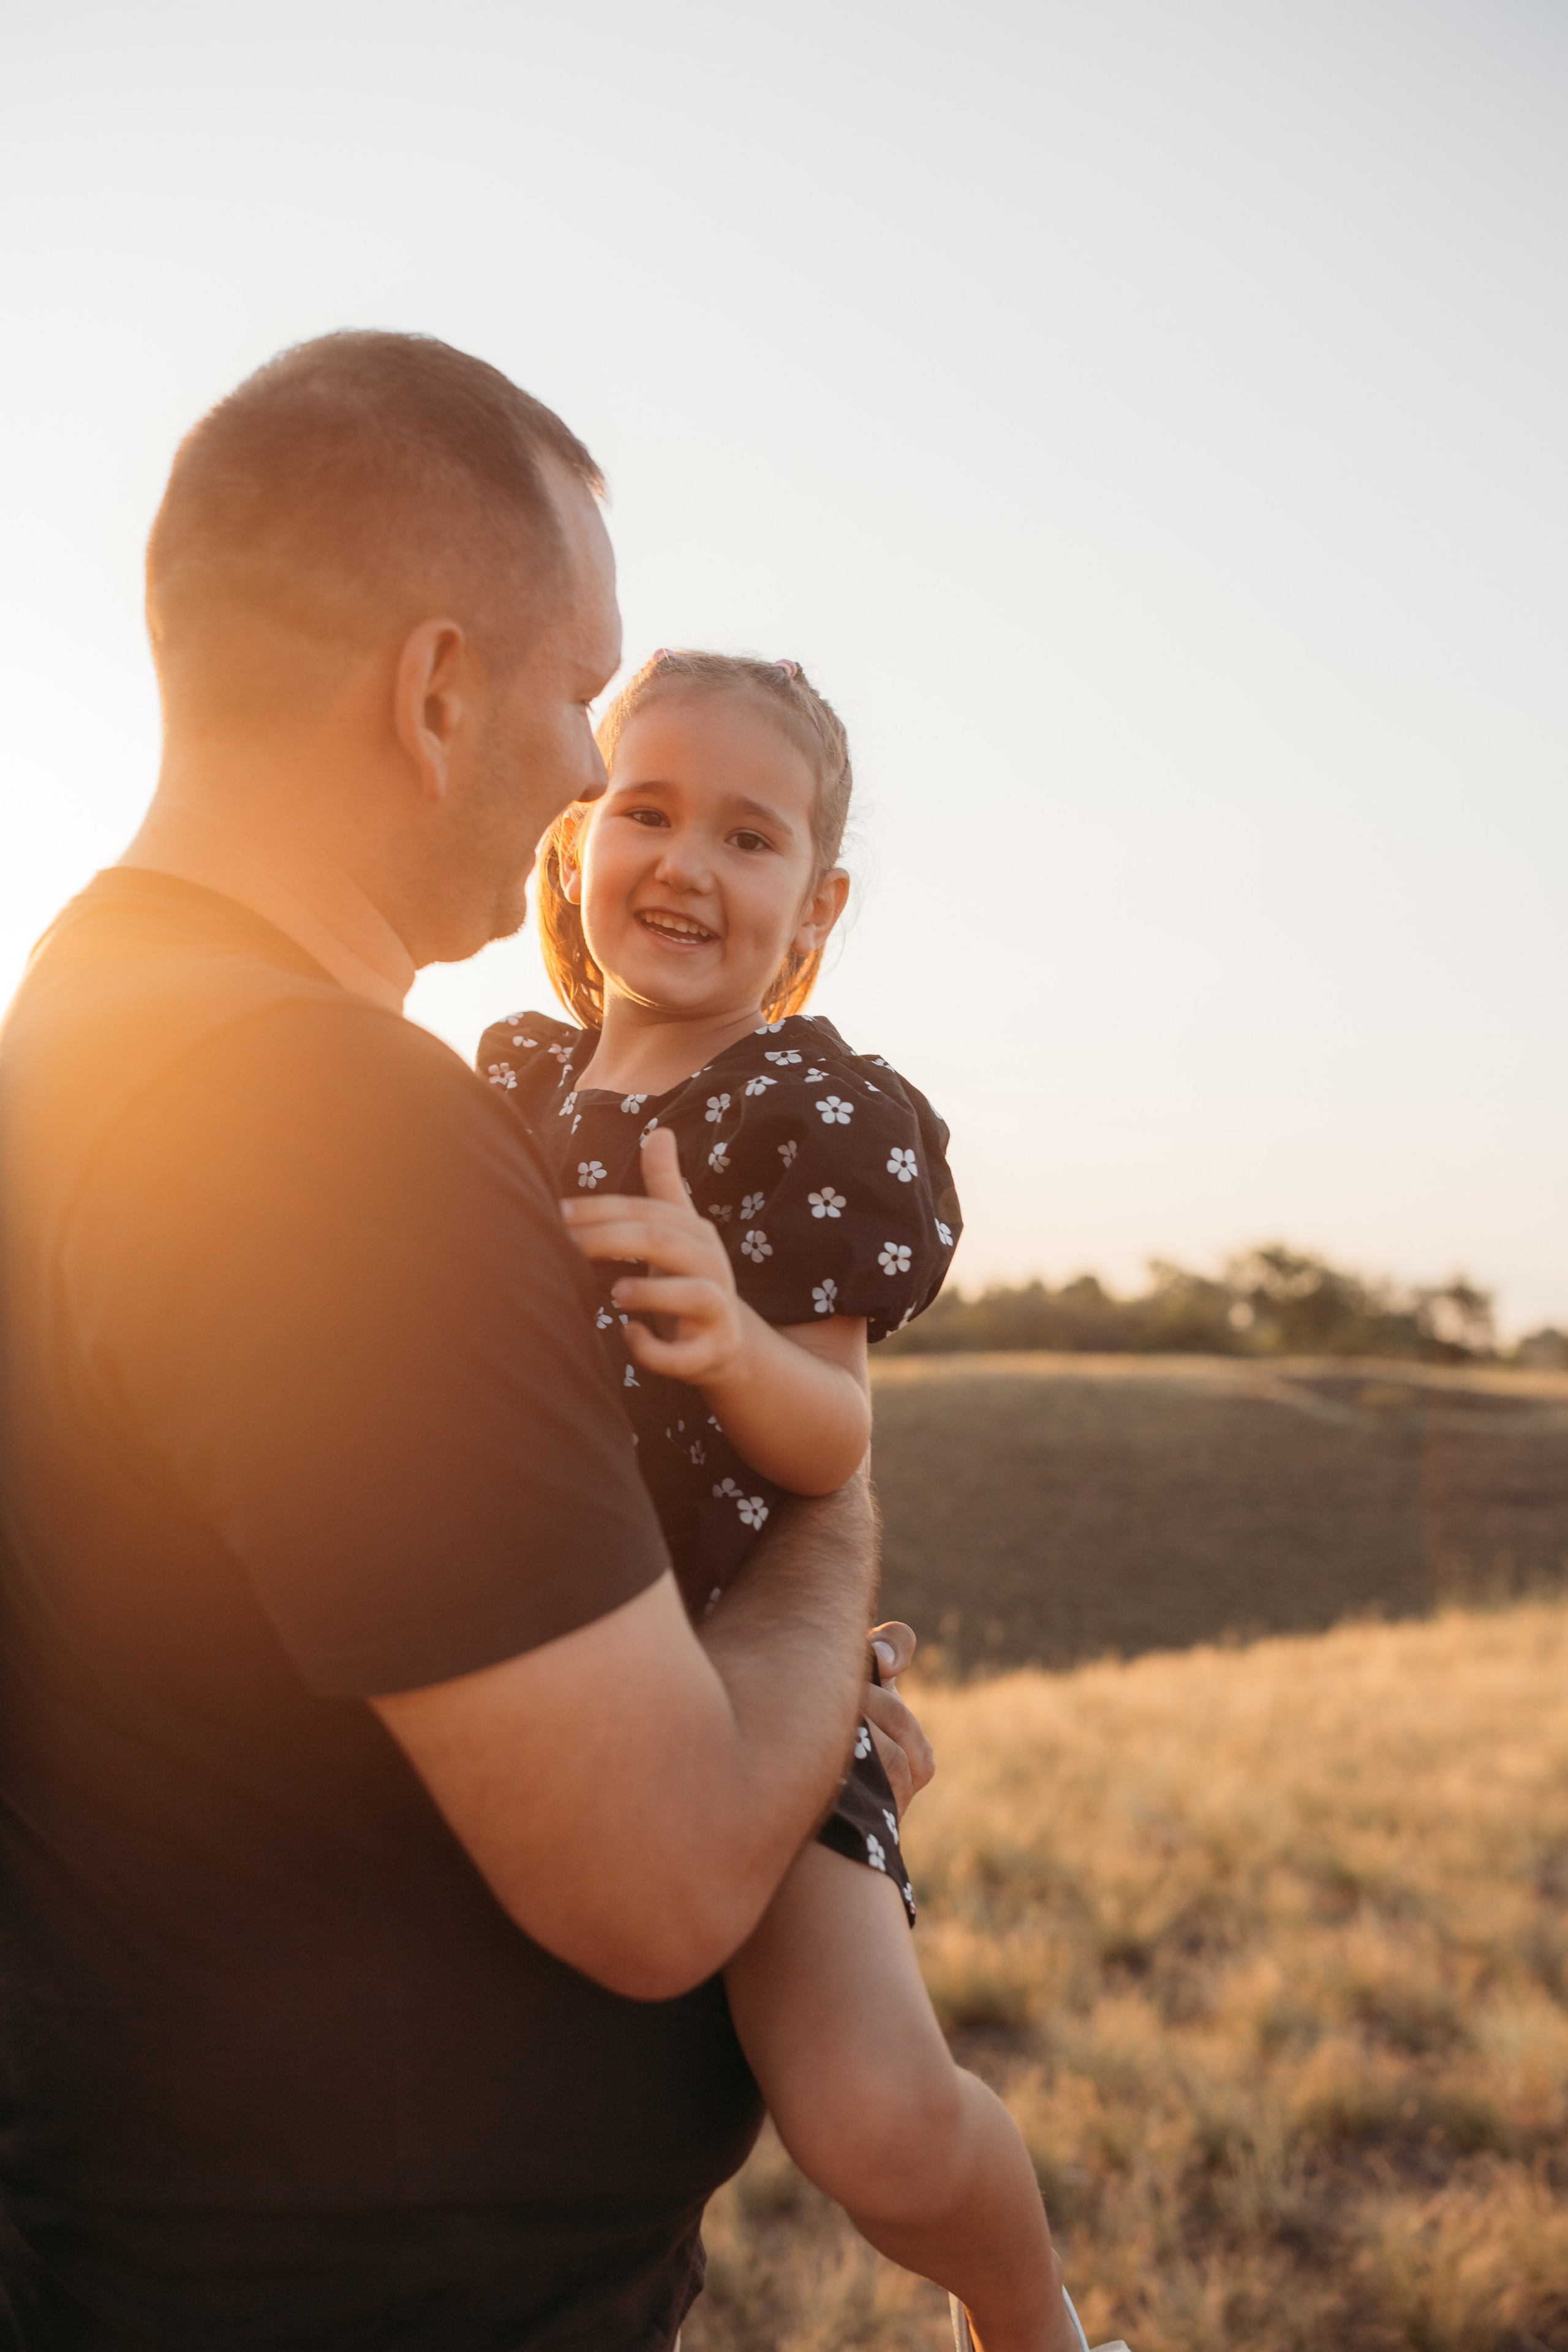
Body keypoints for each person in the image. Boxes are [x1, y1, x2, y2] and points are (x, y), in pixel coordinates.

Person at [0, 333, 933, 2351]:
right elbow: (669, 1874)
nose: (592, 777)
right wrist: (829, 1532)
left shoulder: (85, 1025)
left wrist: (771, 1732)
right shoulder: (324, 1132)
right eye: (578, 697)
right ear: (436, 695)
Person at [477, 650, 1083, 2352]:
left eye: (748, 838)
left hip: (762, 1686)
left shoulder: (798, 1113)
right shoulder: (500, 1095)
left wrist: (730, 1339)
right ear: (576, 835)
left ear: (812, 905)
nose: (685, 862)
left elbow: (828, 1441)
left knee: (875, 2121)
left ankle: (1037, 2322)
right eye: (649, 809)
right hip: (543, 1663)